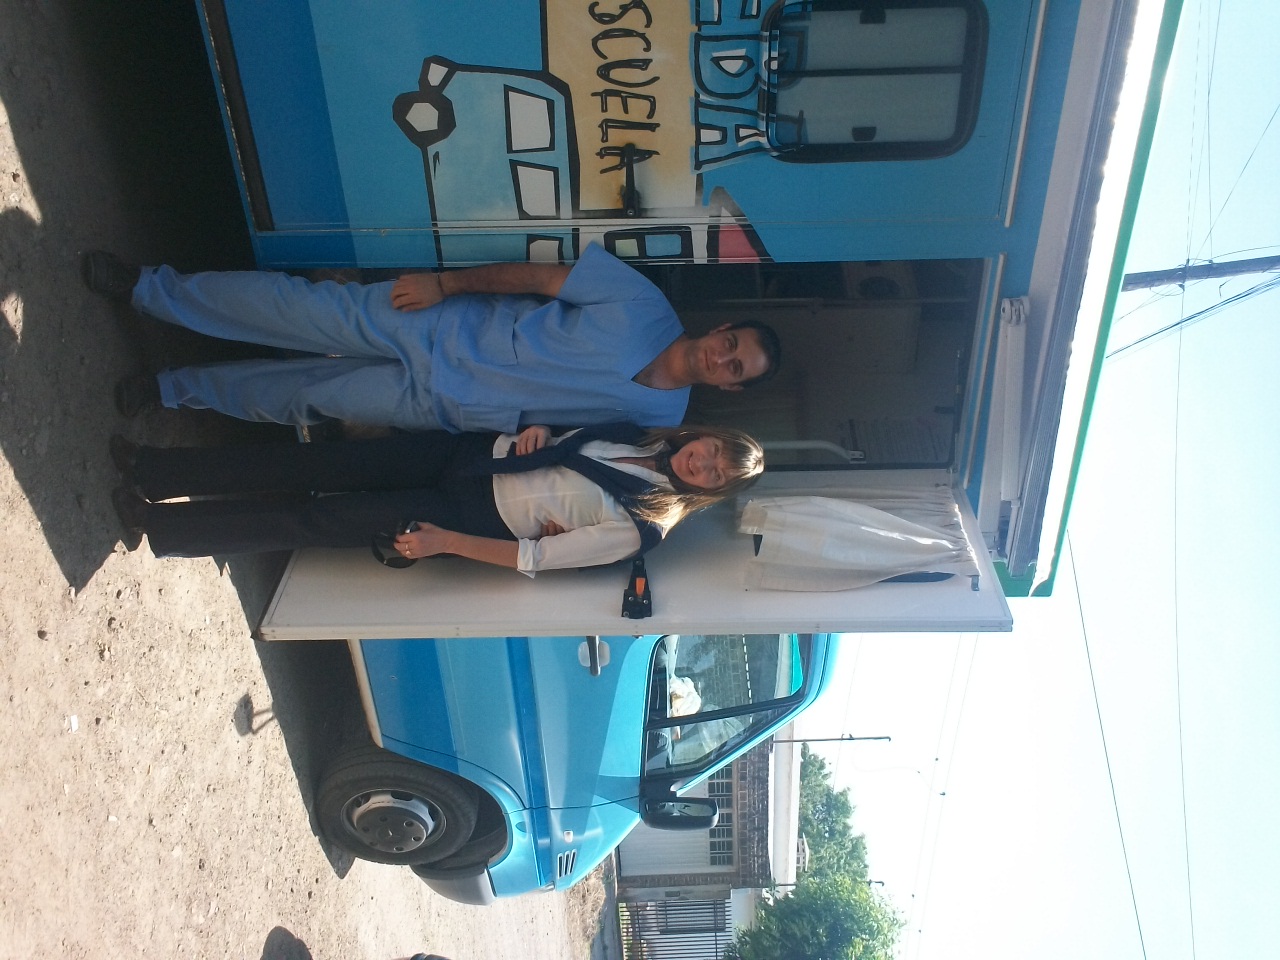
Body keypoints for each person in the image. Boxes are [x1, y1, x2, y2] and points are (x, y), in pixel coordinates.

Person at [83, 245, 781, 431]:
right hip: (440, 321)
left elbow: (588, 448)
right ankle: (148, 289)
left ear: (730, 388)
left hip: (450, 406)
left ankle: (170, 390)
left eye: (736, 370)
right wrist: (446, 285)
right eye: (733, 346)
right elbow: (536, 278)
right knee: (297, 310)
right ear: (721, 329)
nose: (724, 359)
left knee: (303, 398)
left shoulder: (664, 420)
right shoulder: (643, 301)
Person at [108, 422, 764, 573]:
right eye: (711, 450)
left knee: (318, 518)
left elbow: (535, 558)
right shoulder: (638, 434)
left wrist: (444, 542)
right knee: (312, 460)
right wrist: (537, 430)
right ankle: (157, 470)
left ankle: (161, 527)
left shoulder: (645, 526)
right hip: (472, 456)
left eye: (713, 473)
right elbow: (563, 440)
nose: (702, 463)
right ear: (704, 437)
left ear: (711, 491)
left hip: (470, 515)